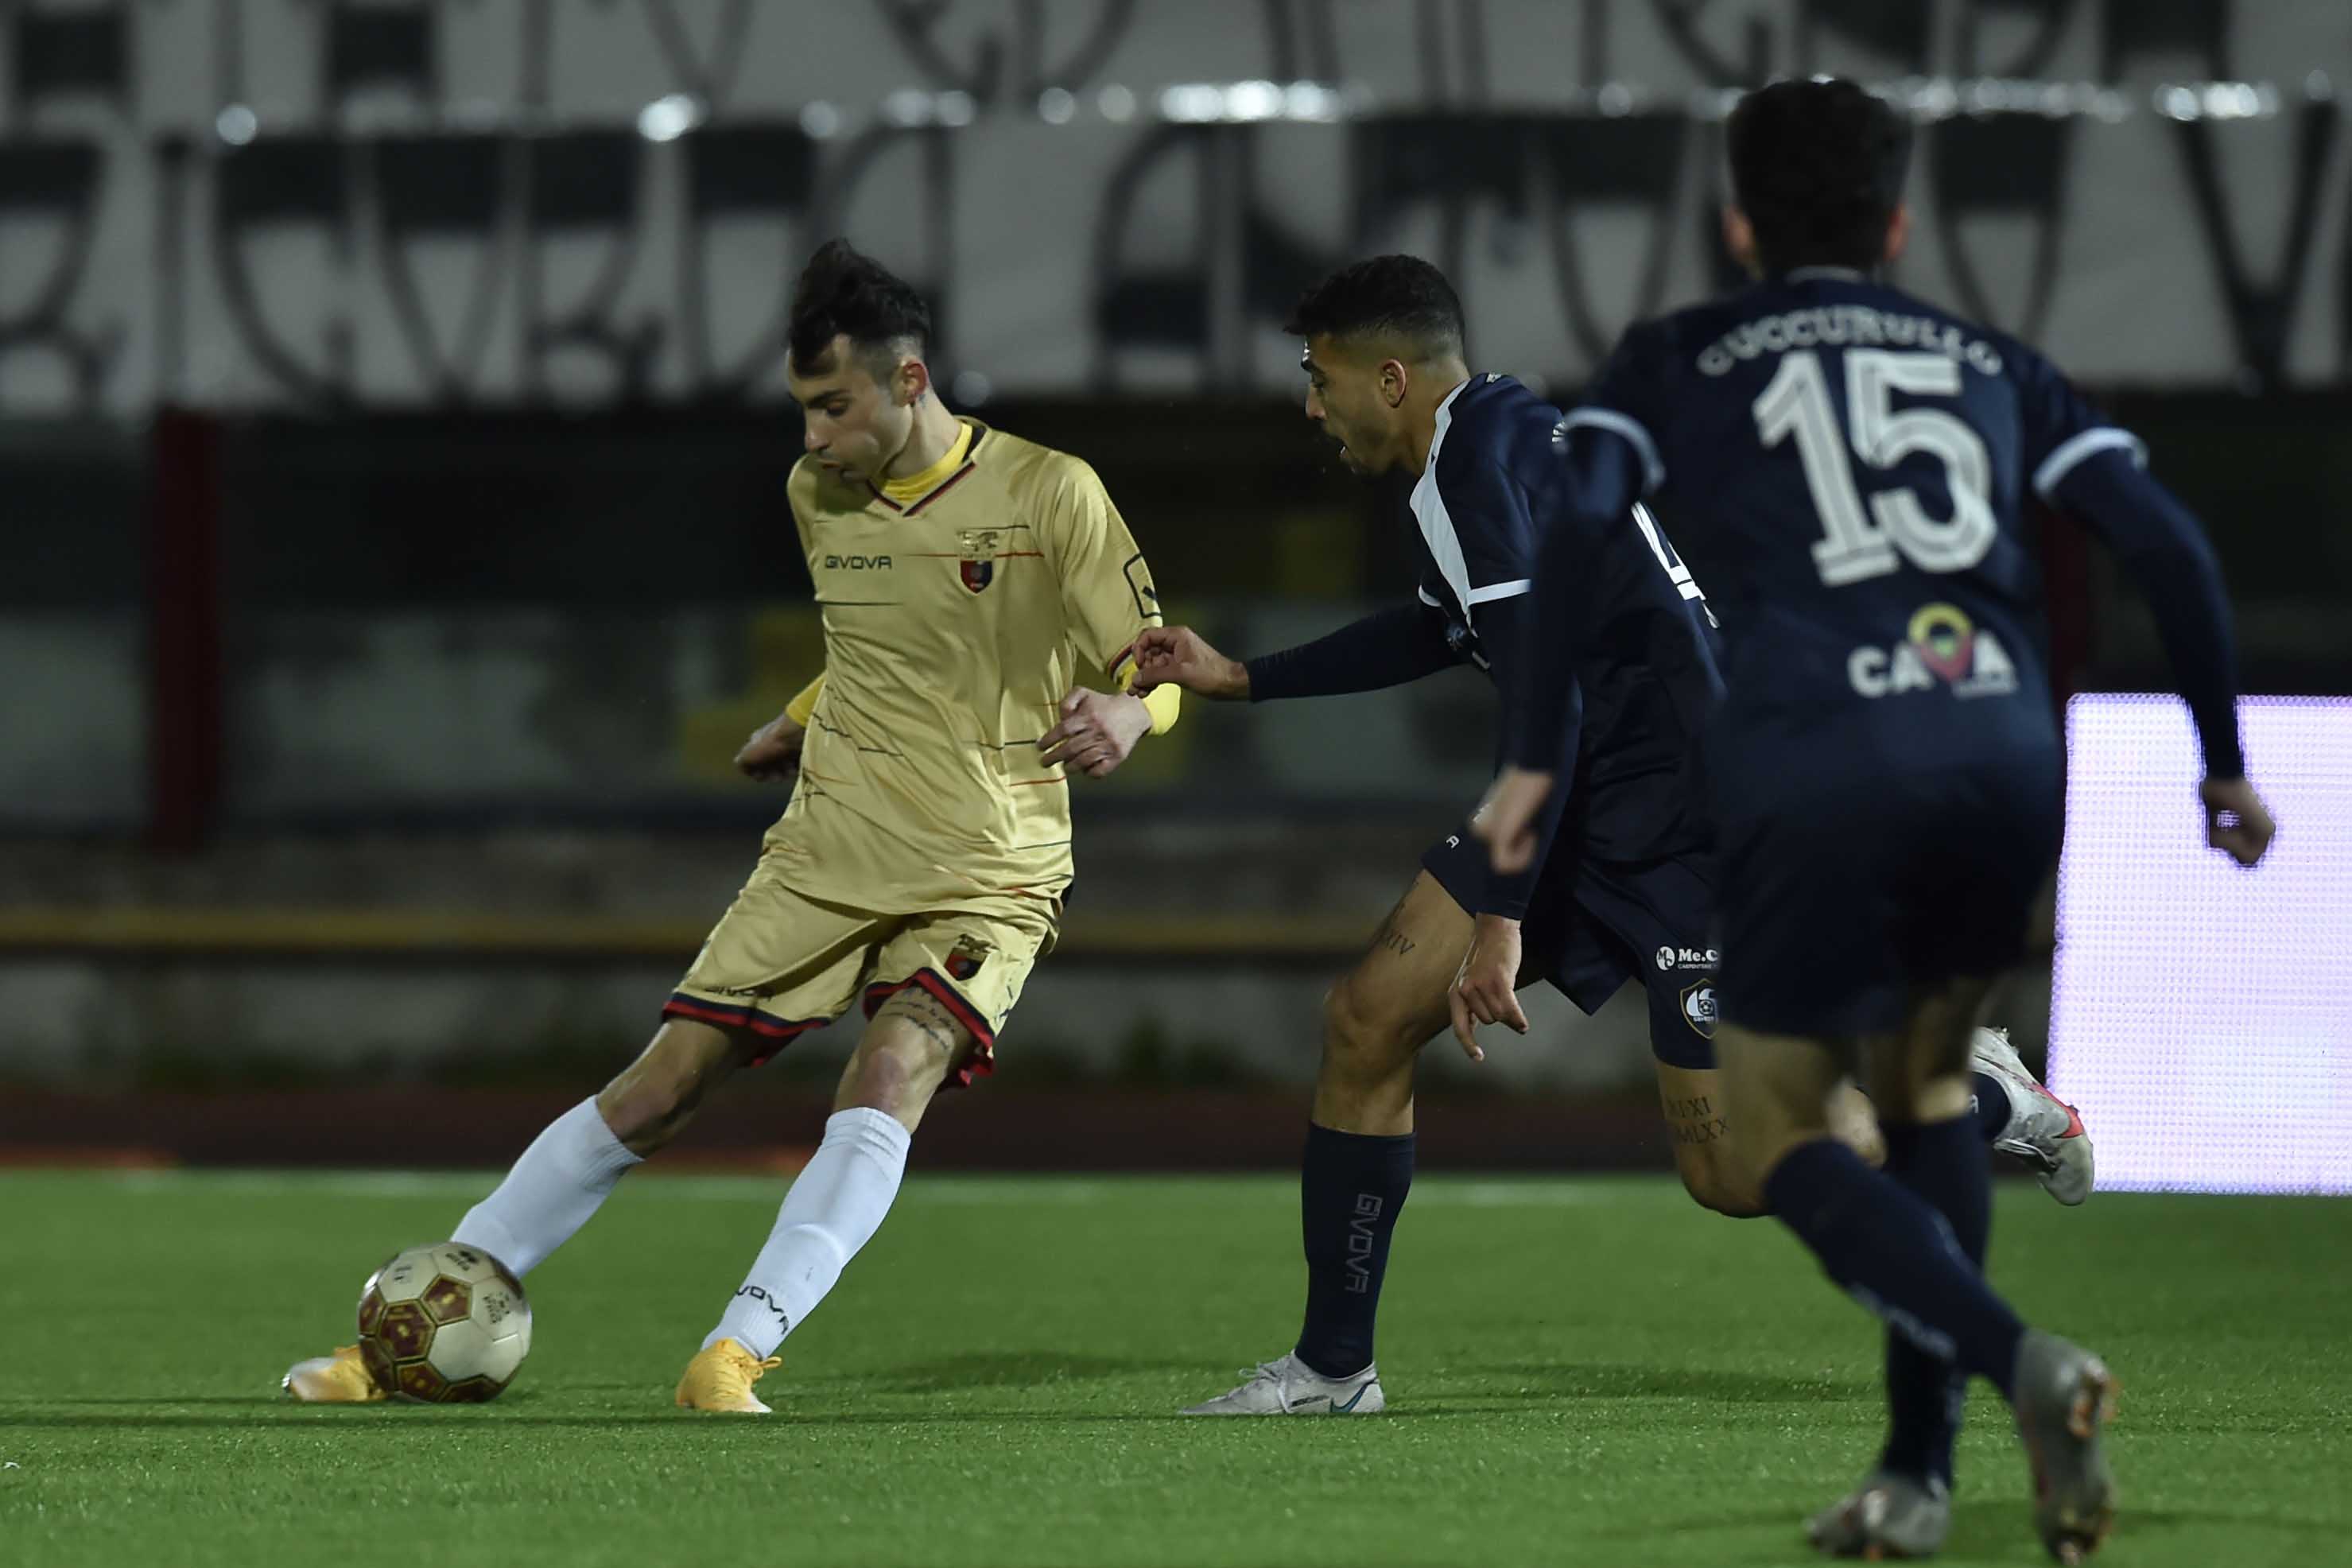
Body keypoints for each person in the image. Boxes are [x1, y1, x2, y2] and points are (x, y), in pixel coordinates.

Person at [1476, 80, 2273, 1560]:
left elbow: (1581, 537)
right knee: (1916, 1085)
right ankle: (1917, 1475)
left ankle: (2010, 1367)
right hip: (1993, 750)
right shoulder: (1991, 357)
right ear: (1898, 222)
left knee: (1770, 1134)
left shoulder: (1672, 355)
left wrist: (1530, 760)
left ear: (1736, 223)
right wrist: (2219, 759)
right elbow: (2163, 542)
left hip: (1810, 754)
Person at [1137, 256, 2088, 1425]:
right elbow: (1446, 631)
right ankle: (1335, 1370)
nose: (1309, 405)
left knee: (1734, 1176)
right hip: (1594, 803)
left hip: (1699, 828)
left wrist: (1498, 920)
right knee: (1367, 1018)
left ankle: (1973, 1095)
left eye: (1318, 378)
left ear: (1388, 377)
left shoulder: (1482, 466)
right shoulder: (1490, 440)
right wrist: (1240, 679)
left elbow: (1553, 703)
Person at [285, 239, 1180, 1413]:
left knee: (892, 1066)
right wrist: (800, 715)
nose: (812, 436)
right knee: (660, 1087)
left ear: (909, 383)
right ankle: (414, 1331)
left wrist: (1133, 711)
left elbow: (1152, 657)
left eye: (832, 406)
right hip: (828, 848)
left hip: (988, 863)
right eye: (803, 409)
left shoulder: (1048, 490)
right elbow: (880, 643)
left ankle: (735, 1351)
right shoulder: (818, 494)